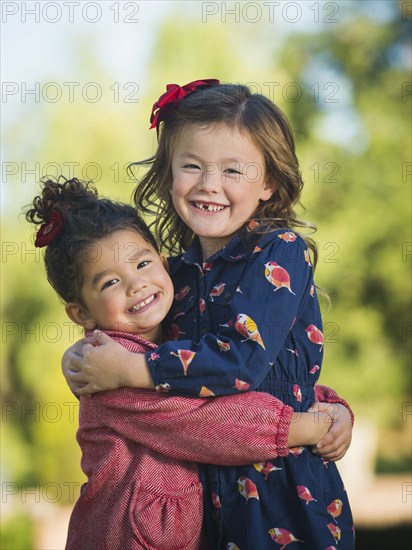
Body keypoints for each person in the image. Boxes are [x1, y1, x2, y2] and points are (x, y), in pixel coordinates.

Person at [63, 80, 355, 549]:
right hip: (203, 493)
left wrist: (334, 406)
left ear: (269, 183)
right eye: (192, 166)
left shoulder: (279, 252)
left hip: (281, 488)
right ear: (169, 173)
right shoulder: (171, 275)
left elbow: (246, 364)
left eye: (233, 170)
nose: (208, 184)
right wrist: (85, 354)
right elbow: (130, 334)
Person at [27, 177, 338, 550]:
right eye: (109, 282)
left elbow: (245, 375)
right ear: (80, 313)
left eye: (142, 263)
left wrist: (332, 404)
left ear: (163, 261)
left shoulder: (179, 337)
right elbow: (208, 422)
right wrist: (305, 427)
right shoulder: (110, 369)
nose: (136, 284)